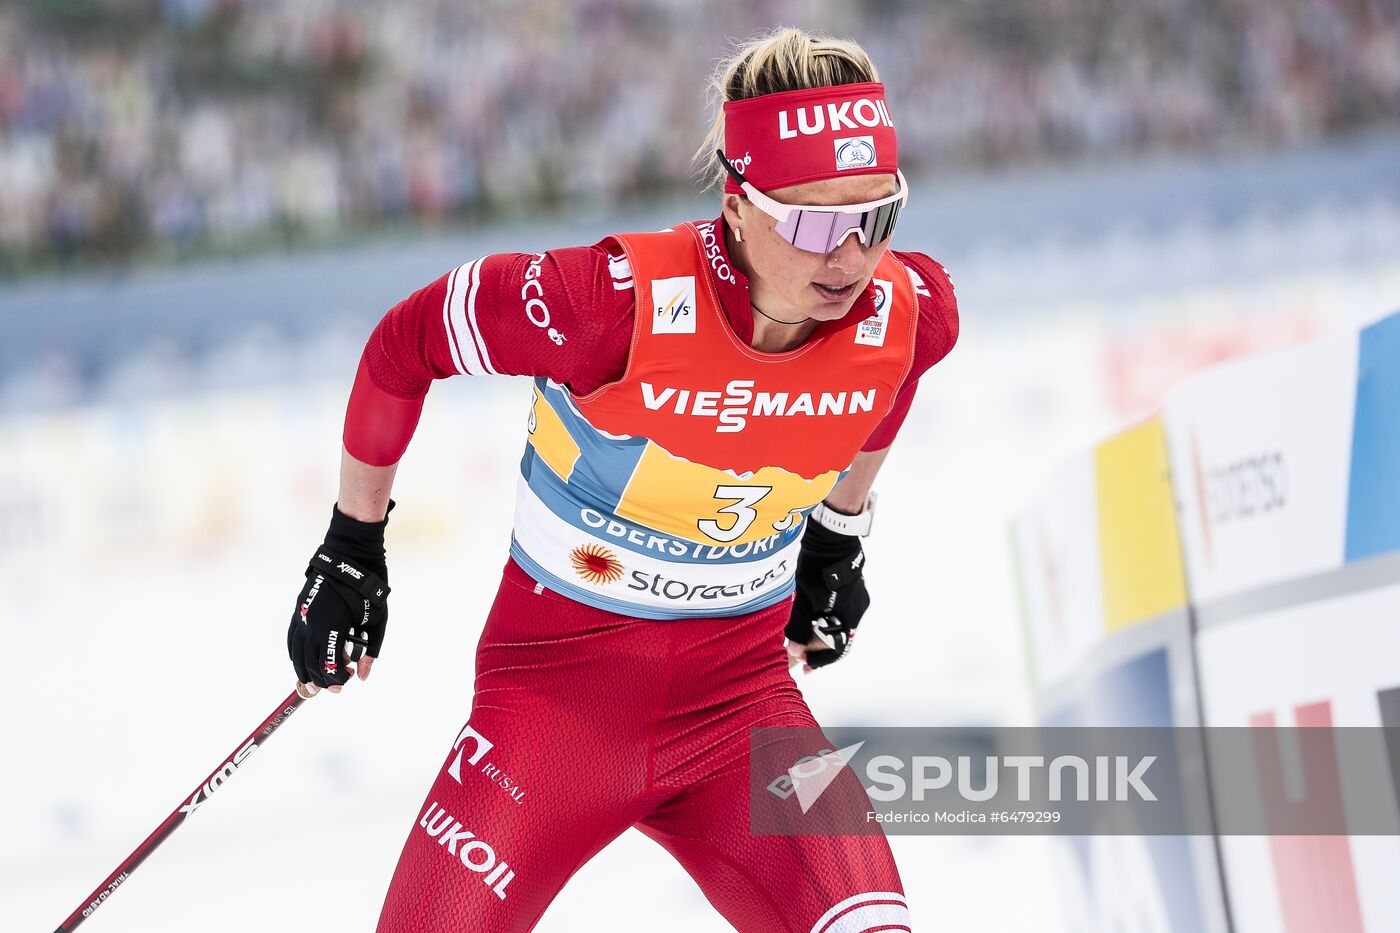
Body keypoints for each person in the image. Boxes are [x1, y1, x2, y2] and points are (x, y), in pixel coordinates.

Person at [286, 27, 957, 933]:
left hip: (744, 714)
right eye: (814, 223)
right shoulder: (603, 306)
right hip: (555, 714)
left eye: (877, 217)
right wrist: (352, 544)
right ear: (739, 200)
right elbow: (405, 343)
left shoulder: (905, 312)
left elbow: (893, 376)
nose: (850, 259)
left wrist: (840, 531)